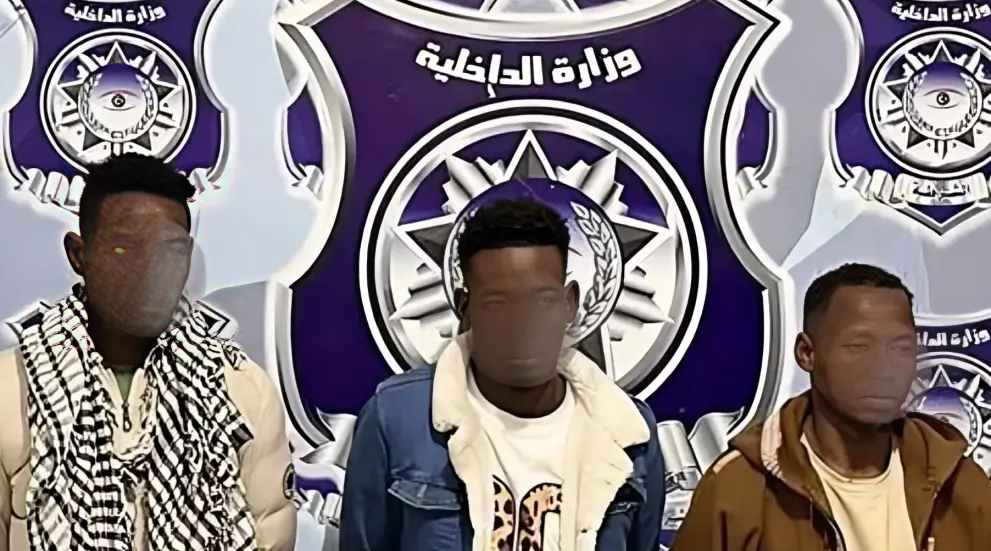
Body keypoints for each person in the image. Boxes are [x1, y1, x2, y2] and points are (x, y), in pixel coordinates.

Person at [0, 154, 297, 551]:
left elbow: (270, 534)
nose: (151, 270)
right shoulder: (11, 390)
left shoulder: (240, 391)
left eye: (170, 252)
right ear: (78, 255)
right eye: (124, 249)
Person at [340, 197, 665, 551]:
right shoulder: (395, 421)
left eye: (542, 301)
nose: (522, 324)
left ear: (570, 303)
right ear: (465, 307)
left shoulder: (628, 432)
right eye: (498, 304)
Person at [671, 263, 991, 551]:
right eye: (858, 346)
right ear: (807, 354)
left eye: (901, 348)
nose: (884, 367)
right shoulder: (739, 489)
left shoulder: (960, 485)